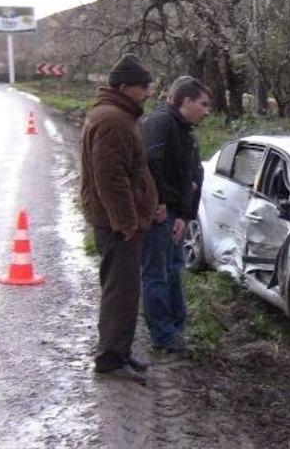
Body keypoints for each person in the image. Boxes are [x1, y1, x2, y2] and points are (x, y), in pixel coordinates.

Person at [80, 53, 158, 384]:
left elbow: (131, 172)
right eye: (143, 87)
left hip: (118, 221)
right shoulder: (114, 120)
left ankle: (120, 352)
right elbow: (110, 179)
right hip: (118, 225)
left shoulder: (116, 115)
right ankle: (111, 359)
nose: (148, 92)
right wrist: (126, 223)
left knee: (124, 289)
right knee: (120, 292)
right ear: (125, 87)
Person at [140, 76, 211, 352]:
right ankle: (163, 336)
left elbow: (189, 176)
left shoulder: (184, 132)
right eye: (203, 104)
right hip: (160, 215)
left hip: (175, 215)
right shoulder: (160, 123)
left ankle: (176, 330)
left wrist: (184, 214)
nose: (206, 111)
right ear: (187, 100)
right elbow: (150, 162)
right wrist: (159, 201)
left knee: (173, 270)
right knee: (157, 274)